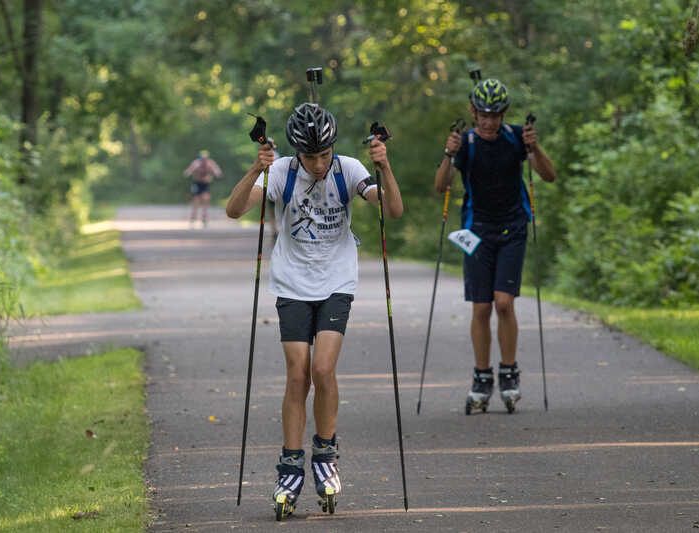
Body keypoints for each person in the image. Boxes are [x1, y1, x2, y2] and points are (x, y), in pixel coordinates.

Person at [225, 102, 403, 518]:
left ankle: (324, 455)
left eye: (324, 155)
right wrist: (257, 168)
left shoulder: (350, 170)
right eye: (311, 157)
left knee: (323, 369)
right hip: (292, 283)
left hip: (337, 281)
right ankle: (290, 466)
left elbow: (392, 210)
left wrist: (385, 167)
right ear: (297, 152)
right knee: (297, 373)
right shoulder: (283, 171)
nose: (319, 164)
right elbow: (234, 210)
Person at [434, 78, 556, 414]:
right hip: (476, 232)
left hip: (513, 227)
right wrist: (449, 153)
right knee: (481, 308)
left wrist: (534, 148)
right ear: (473, 113)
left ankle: (509, 370)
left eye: (496, 115)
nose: (489, 121)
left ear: (504, 114)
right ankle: (482, 375)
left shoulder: (517, 138)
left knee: (504, 303)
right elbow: (440, 185)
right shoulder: (467, 143)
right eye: (484, 115)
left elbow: (548, 176)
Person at [184, 150, 223, 227]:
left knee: (206, 198)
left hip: (205, 184)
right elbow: (189, 170)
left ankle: (204, 218)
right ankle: (193, 218)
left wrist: (217, 173)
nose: (203, 160)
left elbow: (217, 170)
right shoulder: (196, 163)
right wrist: (188, 172)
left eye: (205, 158)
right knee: (196, 201)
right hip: (197, 184)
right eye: (202, 158)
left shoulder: (210, 163)